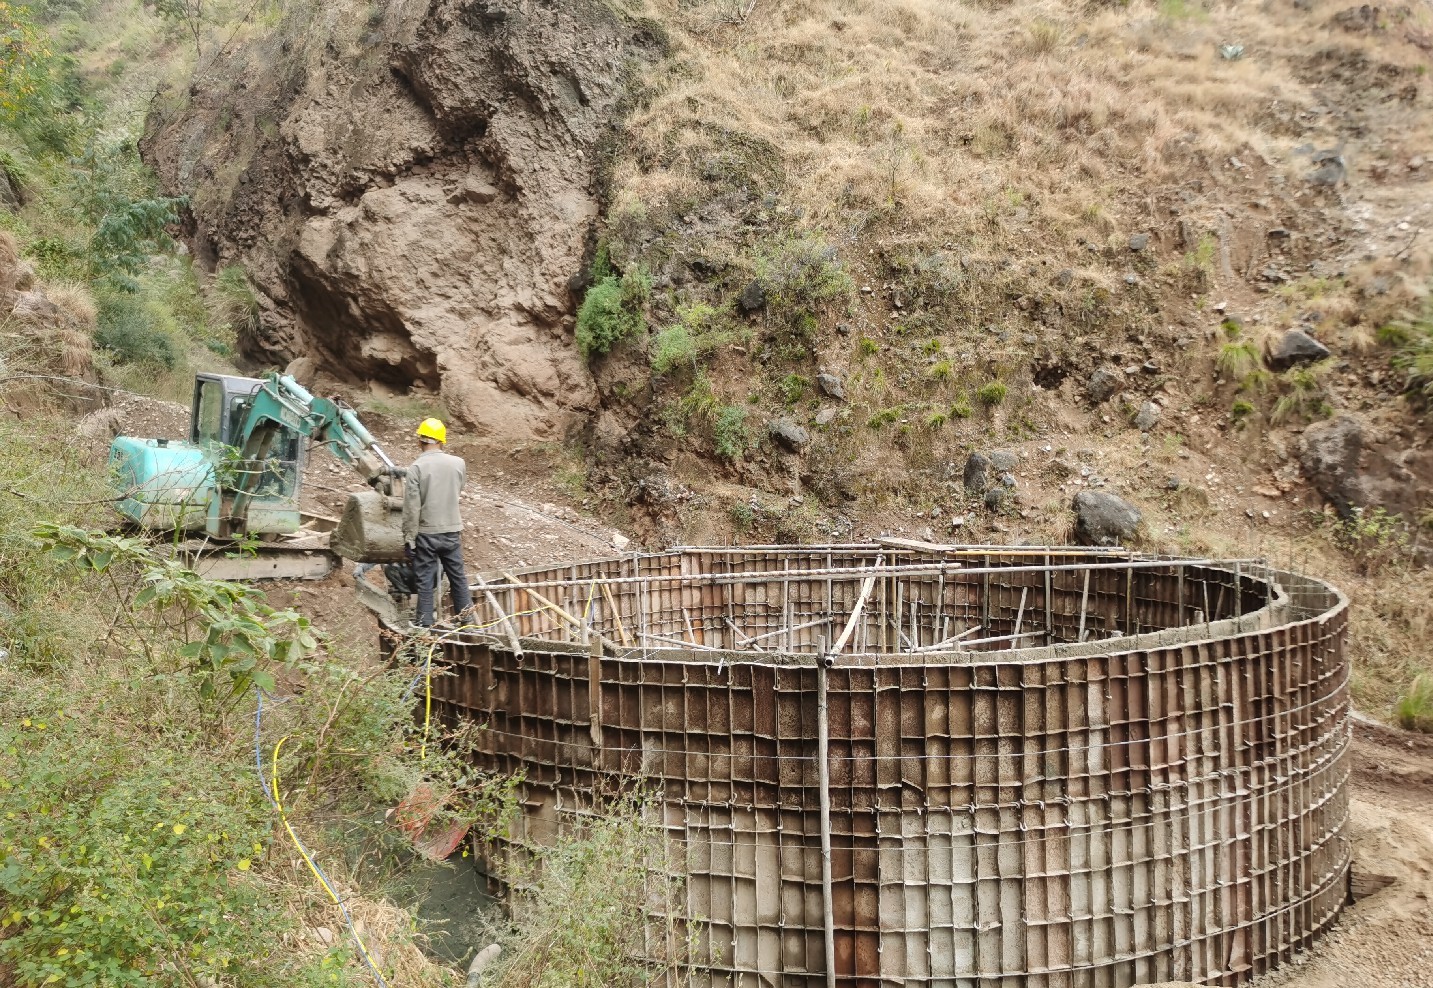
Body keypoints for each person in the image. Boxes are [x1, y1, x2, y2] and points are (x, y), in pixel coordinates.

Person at [400, 417, 474, 627]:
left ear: (420, 441)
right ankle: (467, 620)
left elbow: (412, 508)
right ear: (442, 441)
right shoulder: (458, 463)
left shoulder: (416, 467)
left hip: (426, 533)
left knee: (424, 581)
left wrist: (409, 539)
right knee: (457, 576)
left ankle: (424, 626)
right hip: (451, 531)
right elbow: (457, 491)